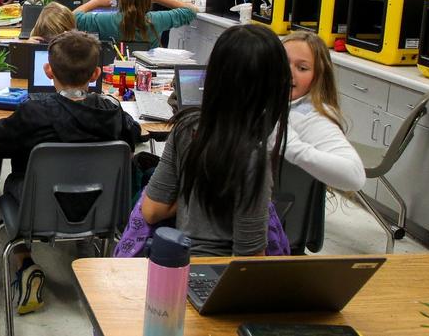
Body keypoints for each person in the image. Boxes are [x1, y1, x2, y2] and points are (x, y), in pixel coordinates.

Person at [0, 31, 140, 314]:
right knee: (84, 184)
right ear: (95, 74)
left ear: (48, 69)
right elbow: (134, 133)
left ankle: (25, 263)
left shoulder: (34, 111)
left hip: (40, 210)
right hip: (100, 210)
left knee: (11, 184)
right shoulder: (113, 112)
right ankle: (86, 245)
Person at [141, 25, 291, 256]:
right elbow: (248, 261)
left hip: (175, 262)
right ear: (274, 88)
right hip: (219, 274)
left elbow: (151, 210)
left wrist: (189, 194)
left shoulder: (186, 127)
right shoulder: (252, 157)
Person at [280, 31, 366, 191]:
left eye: (302, 68)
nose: (289, 73)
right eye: (283, 62)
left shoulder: (310, 115)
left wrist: (289, 145)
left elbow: (354, 176)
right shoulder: (269, 99)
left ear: (318, 77)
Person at [73, 0, 197, 48]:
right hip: (148, 75)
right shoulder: (157, 19)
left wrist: (95, 2)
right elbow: (191, 11)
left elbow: (72, 17)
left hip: (113, 74)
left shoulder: (105, 20)